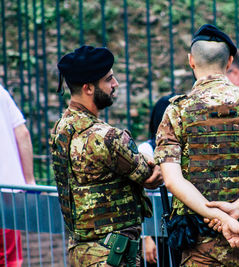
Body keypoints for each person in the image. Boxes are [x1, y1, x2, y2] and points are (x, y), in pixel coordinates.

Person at [154, 24, 239, 266]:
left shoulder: (176, 111)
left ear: (191, 61)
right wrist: (238, 208)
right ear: (230, 62)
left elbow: (172, 180)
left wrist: (218, 215)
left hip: (200, 244)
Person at [50, 45, 163, 266]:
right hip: (113, 255)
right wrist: (159, 163)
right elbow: (150, 177)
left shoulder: (60, 130)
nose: (115, 84)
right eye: (109, 79)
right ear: (88, 88)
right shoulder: (107, 137)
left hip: (80, 253)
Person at [0, 85, 36, 267]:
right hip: (6, 191)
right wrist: (29, 181)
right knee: (9, 260)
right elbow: (22, 133)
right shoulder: (1, 93)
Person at [138, 94, 174, 266]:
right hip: (155, 233)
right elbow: (139, 196)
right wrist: (145, 236)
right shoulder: (147, 149)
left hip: (180, 228)